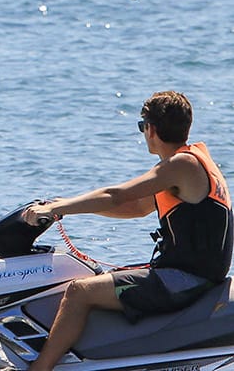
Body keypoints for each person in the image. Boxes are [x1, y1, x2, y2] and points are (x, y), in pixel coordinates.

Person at [22, 90, 232, 371]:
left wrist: (58, 207)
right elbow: (135, 207)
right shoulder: (193, 162)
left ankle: (40, 368)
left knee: (79, 291)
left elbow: (116, 194)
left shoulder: (181, 165)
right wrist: (65, 208)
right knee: (96, 275)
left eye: (141, 127)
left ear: (151, 129)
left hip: (184, 280)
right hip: (194, 275)